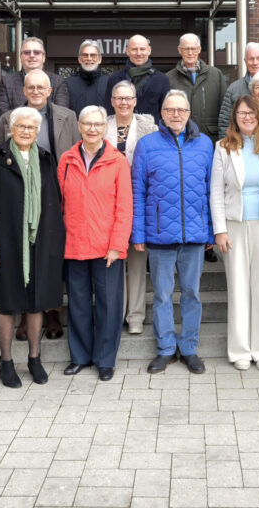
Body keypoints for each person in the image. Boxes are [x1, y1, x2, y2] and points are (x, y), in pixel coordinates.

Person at [0, 107, 67, 388]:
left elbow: (54, 201)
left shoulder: (45, 159)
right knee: (8, 305)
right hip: (6, 241)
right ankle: (5, 362)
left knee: (36, 301)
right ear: (11, 129)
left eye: (31, 127)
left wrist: (55, 243)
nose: (26, 131)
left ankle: (34, 358)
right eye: (21, 127)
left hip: (40, 242)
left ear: (37, 131)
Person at [132, 90, 215, 374]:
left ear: (189, 113)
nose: (175, 114)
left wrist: (210, 232)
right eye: (170, 110)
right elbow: (138, 192)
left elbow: (210, 191)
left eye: (181, 110)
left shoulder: (205, 144)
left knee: (191, 293)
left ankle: (189, 348)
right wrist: (138, 234)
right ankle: (166, 349)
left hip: (194, 235)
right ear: (162, 114)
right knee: (163, 296)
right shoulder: (147, 144)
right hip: (159, 236)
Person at [0, 69, 79, 340]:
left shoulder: (68, 117)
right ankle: (25, 313)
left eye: (40, 87)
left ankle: (52, 311)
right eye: (30, 87)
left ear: (49, 90)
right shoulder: (9, 118)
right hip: (19, 197)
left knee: (51, 257)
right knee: (24, 255)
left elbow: (77, 157)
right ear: (23, 90)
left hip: (57, 195)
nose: (35, 91)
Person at [210, 95, 259, 370]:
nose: (246, 118)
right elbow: (216, 192)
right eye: (242, 113)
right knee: (238, 287)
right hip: (234, 224)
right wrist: (219, 230)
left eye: (251, 114)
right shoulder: (223, 148)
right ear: (235, 117)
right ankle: (240, 350)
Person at [58, 106, 133, 381]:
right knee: (77, 302)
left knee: (108, 304)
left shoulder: (117, 161)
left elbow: (125, 208)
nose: (92, 129)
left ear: (105, 128)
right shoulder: (66, 160)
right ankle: (79, 357)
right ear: (79, 126)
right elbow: (61, 203)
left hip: (107, 247)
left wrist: (117, 244)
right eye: (87, 124)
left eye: (98, 125)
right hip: (74, 242)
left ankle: (105, 359)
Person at [105, 80, 159, 334]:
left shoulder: (149, 127)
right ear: (112, 101)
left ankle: (136, 315)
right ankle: (116, 312)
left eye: (128, 98)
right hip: (108, 204)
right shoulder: (101, 125)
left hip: (140, 200)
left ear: (135, 101)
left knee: (137, 260)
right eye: (119, 98)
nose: (124, 102)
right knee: (114, 260)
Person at [166, 32, 227, 140]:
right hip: (180, 138)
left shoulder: (216, 74)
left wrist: (224, 137)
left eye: (193, 49)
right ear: (179, 50)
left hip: (210, 137)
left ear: (199, 49)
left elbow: (225, 109)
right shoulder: (169, 78)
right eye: (186, 49)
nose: (190, 53)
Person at [0, 36, 70, 117]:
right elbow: (3, 115)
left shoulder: (58, 82)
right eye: (27, 52)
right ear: (21, 57)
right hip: (17, 128)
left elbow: (61, 115)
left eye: (37, 52)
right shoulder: (7, 82)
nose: (32, 55)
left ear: (44, 57)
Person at [105, 34, 171, 118]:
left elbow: (166, 111)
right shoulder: (114, 79)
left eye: (142, 49)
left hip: (152, 130)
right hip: (121, 129)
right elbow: (109, 111)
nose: (139, 53)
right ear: (127, 51)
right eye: (134, 49)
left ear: (149, 50)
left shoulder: (162, 79)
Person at [66, 39, 110, 115]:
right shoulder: (68, 83)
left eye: (93, 55)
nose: (89, 58)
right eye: (85, 55)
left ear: (100, 59)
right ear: (79, 59)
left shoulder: (109, 82)